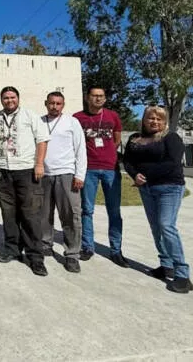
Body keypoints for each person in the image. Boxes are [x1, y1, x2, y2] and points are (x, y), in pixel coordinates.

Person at [124, 106, 193, 293]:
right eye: (150, 118)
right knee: (156, 227)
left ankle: (182, 274)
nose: (154, 121)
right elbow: (128, 161)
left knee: (166, 226)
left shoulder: (171, 138)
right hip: (146, 188)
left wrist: (144, 174)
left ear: (164, 122)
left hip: (169, 187)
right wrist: (135, 175)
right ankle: (166, 265)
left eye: (159, 119)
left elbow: (172, 162)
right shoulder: (134, 139)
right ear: (144, 119)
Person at [0, 86, 50, 276]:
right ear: (1, 99)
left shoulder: (30, 115)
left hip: (26, 171)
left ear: (18, 98)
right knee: (8, 213)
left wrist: (39, 164)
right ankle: (12, 249)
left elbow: (42, 140)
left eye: (12, 97)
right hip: (2, 172)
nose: (9, 101)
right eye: (5, 98)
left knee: (30, 215)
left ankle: (35, 257)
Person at [73, 86, 127, 267]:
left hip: (111, 169)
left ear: (105, 98)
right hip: (88, 169)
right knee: (87, 210)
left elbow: (117, 139)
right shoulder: (78, 118)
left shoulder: (113, 116)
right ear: (87, 97)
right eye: (94, 95)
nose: (98, 99)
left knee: (114, 211)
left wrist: (107, 153)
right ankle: (88, 247)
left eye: (101, 96)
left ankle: (116, 250)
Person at [40, 92, 86, 273]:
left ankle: (72, 254)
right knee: (44, 214)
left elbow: (80, 149)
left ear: (63, 105)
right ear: (46, 104)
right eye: (51, 103)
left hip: (66, 173)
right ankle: (45, 243)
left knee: (70, 215)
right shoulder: (39, 122)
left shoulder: (72, 122)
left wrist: (79, 175)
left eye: (58, 103)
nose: (54, 106)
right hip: (43, 174)